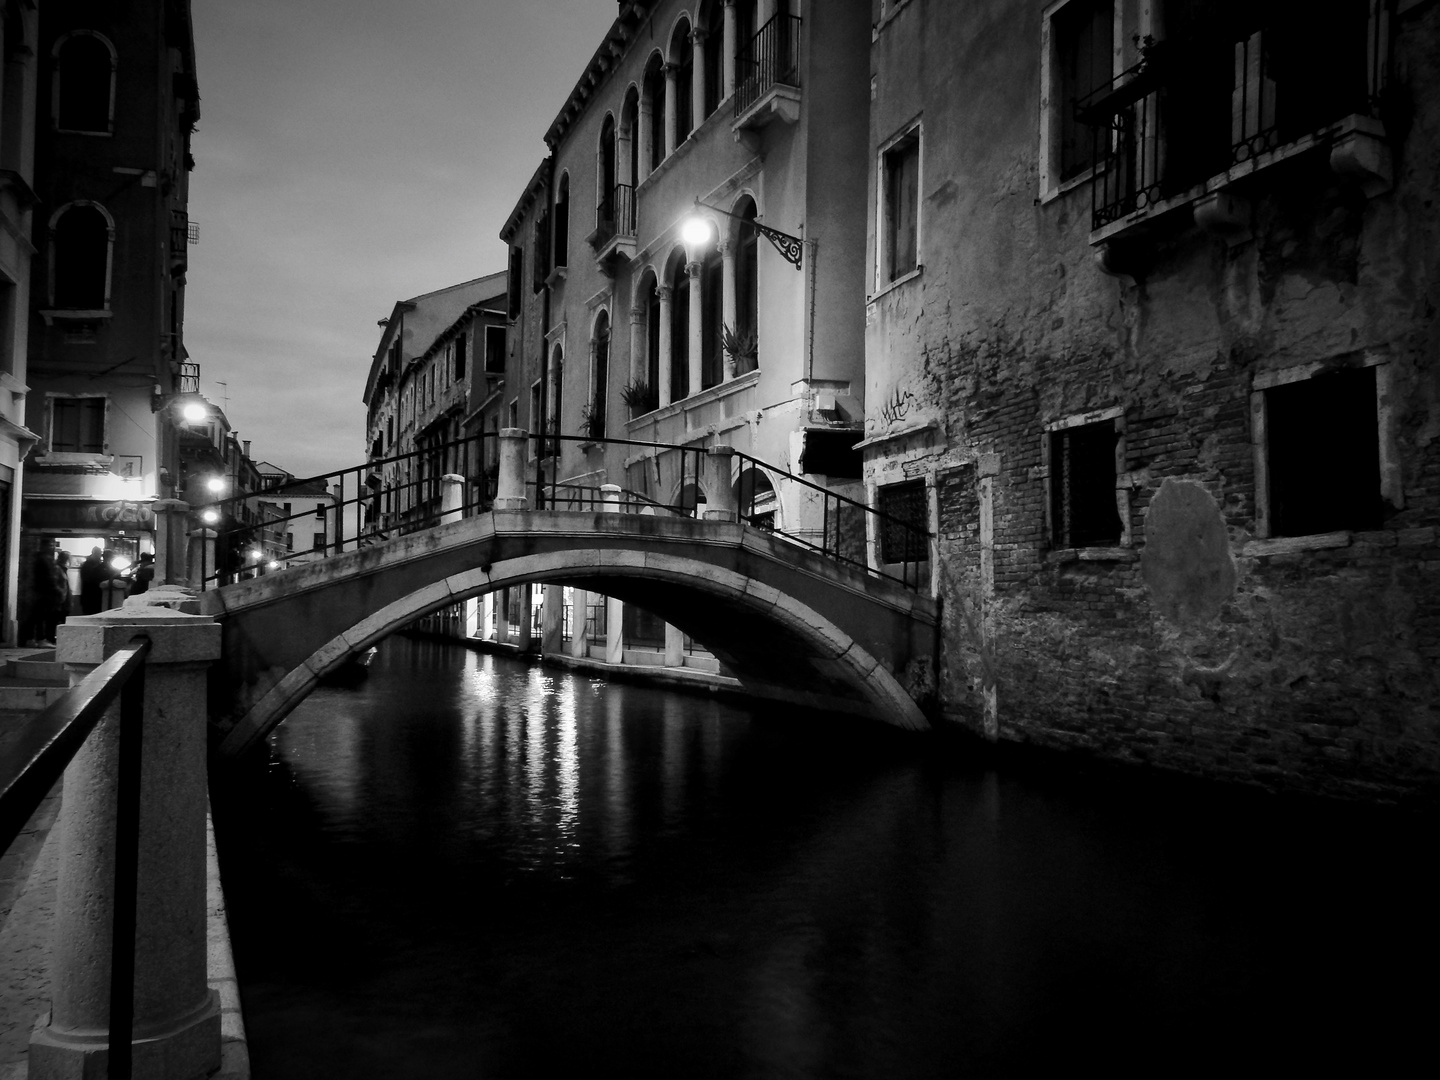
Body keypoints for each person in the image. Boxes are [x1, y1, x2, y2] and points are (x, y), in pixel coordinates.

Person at [46, 550, 73, 641]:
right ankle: (51, 637)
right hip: (59, 600)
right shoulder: (58, 569)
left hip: (63, 599)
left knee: (59, 618)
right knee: (55, 619)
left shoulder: (63, 569)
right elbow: (57, 584)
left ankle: (56, 637)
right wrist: (61, 593)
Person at [79, 547, 105, 615]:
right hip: (91, 597)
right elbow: (91, 580)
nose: (100, 556)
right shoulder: (90, 566)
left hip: (89, 596)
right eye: (99, 554)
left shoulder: (87, 564)